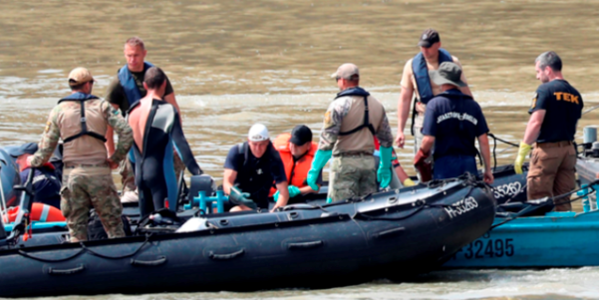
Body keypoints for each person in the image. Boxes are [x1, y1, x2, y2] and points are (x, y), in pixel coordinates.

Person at [28, 67, 133, 242]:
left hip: (72, 176)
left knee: (76, 229)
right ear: (87, 85)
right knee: (114, 227)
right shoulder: (103, 107)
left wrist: (35, 161)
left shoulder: (58, 110)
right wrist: (115, 159)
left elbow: (47, 147)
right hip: (100, 174)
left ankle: (78, 261)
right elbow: (127, 132)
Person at [104, 37, 181, 203]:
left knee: (175, 162)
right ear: (124, 55)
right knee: (132, 173)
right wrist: (111, 152)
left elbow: (173, 107)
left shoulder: (157, 76)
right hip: (132, 136)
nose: (133, 59)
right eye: (129, 55)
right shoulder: (118, 82)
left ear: (144, 54)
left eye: (136, 55)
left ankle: (171, 200)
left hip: (159, 133)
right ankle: (131, 196)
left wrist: (177, 138)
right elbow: (107, 120)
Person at [307, 63, 394, 202]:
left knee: (339, 209)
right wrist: (384, 166)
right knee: (367, 208)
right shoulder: (377, 105)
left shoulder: (338, 106)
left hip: (344, 165)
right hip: (368, 164)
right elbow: (387, 140)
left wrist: (314, 170)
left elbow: (327, 143)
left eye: (337, 79)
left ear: (342, 80)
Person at [128, 67, 203, 218]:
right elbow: (181, 145)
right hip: (160, 176)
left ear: (145, 85)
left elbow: (130, 154)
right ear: (164, 84)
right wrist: (198, 173)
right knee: (166, 222)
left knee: (146, 223)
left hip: (140, 177)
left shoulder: (132, 110)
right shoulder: (167, 110)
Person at [513, 51, 583, 211]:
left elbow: (536, 122)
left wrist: (523, 149)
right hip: (569, 152)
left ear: (548, 70)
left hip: (547, 153)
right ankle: (564, 233)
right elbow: (574, 125)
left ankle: (539, 235)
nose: (538, 76)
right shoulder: (575, 94)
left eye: (538, 71)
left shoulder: (545, 90)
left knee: (538, 199)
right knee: (563, 199)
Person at [395, 29, 473, 165]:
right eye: (422, 46)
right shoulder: (411, 66)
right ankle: (425, 184)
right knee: (424, 162)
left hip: (449, 117)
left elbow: (465, 91)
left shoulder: (452, 62)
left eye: (428, 46)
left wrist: (473, 120)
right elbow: (405, 99)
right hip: (424, 118)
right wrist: (400, 130)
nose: (424, 50)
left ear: (438, 45)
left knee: (450, 158)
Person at [415, 62, 493, 184]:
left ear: (441, 81)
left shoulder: (434, 105)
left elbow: (428, 140)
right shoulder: (473, 106)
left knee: (444, 201)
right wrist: (487, 169)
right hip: (469, 164)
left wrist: (420, 155)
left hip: (444, 166)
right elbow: (483, 140)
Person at [223, 124, 289, 212]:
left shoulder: (273, 158)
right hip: (234, 198)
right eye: (255, 144)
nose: (258, 149)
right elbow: (227, 182)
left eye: (261, 144)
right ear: (248, 141)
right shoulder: (237, 153)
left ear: (267, 142)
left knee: (236, 211)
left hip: (258, 204)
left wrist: (274, 213)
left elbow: (284, 193)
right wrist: (238, 195)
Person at [271, 125, 322, 204]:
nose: (293, 146)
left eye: (298, 144)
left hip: (299, 198)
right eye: (292, 142)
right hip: (274, 196)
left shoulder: (316, 160)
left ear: (308, 145)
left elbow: (316, 187)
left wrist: (297, 191)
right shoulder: (277, 152)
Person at [9, 143, 61, 208]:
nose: (17, 161)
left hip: (34, 215)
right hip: (59, 214)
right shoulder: (55, 172)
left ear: (30, 157)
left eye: (20, 157)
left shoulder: (24, 176)